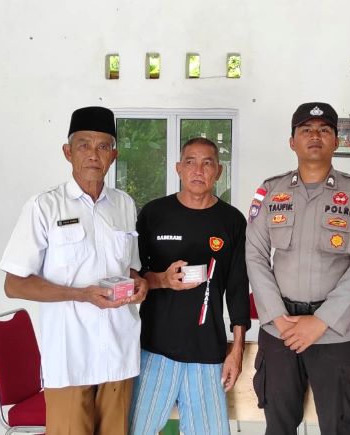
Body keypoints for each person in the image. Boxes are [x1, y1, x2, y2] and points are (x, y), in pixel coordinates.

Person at [0, 106, 148, 435]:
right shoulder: (44, 206)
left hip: (119, 353)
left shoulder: (124, 204)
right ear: (68, 152)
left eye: (103, 146)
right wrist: (80, 295)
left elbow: (130, 269)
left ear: (114, 155)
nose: (93, 154)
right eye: (84, 145)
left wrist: (140, 285)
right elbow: (14, 284)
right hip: (70, 357)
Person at [246, 102, 350, 435]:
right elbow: (255, 254)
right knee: (279, 426)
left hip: (337, 332)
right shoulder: (270, 191)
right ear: (292, 141)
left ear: (336, 141)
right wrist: (277, 317)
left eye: (324, 130)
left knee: (340, 426)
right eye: (306, 130)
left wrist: (321, 321)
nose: (315, 136)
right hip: (280, 330)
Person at [128, 137, 250, 435]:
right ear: (178, 168)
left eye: (207, 163)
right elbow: (133, 277)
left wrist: (236, 351)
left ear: (218, 171)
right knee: (136, 430)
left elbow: (238, 288)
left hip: (207, 352)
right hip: (154, 348)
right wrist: (161, 279)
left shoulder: (232, 221)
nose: (198, 170)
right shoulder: (154, 214)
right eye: (190, 162)